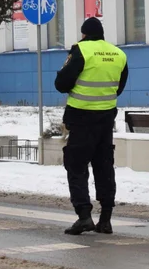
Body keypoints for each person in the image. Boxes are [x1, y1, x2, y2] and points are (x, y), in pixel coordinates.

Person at [54, 17, 129, 235]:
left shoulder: (81, 50)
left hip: (81, 118)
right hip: (106, 119)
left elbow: (61, 84)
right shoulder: (118, 54)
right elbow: (119, 87)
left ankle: (84, 216)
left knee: (76, 166)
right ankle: (105, 219)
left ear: (84, 34)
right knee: (104, 166)